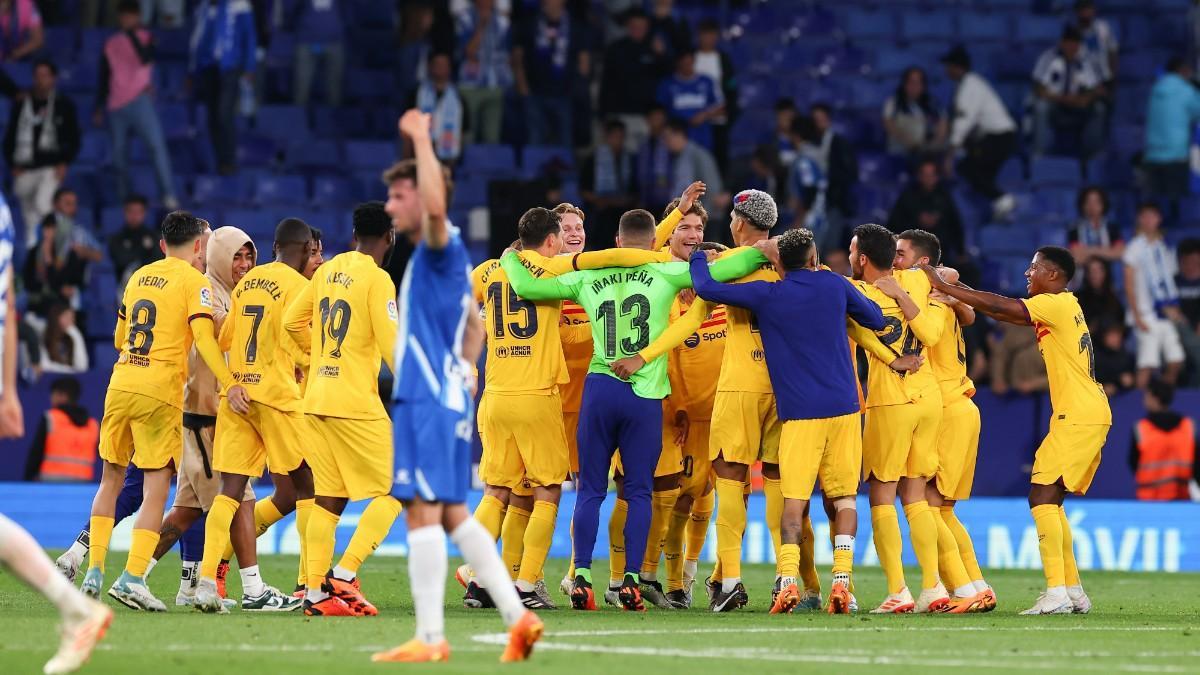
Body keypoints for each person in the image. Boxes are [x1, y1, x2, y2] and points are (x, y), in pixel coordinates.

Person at [500, 200, 766, 614]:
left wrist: (510, 258)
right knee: (639, 492)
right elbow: (728, 269)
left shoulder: (587, 276)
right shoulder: (667, 271)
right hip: (643, 396)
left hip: (600, 388)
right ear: (652, 243)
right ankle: (628, 581)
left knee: (590, 490)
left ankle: (582, 576)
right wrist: (767, 248)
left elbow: (528, 287)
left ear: (619, 241)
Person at [375, 109, 542, 663]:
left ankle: (429, 640)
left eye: (401, 196)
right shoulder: (437, 261)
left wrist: (423, 139)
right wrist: (466, 370)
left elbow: (437, 204)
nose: (392, 207)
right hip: (442, 395)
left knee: (422, 512)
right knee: (448, 513)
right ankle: (519, 621)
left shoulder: (441, 247)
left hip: (426, 400)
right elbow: (473, 326)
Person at [690, 227, 887, 614]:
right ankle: (842, 581)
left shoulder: (769, 293)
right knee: (845, 498)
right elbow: (877, 319)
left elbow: (707, 288)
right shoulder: (833, 285)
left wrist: (700, 256)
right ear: (814, 258)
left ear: (778, 261)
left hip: (799, 414)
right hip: (846, 410)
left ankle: (787, 582)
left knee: (793, 502)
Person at [922, 245, 1110, 614]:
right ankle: (1072, 591)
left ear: (1053, 275)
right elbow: (1005, 313)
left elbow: (1000, 307)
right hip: (1086, 411)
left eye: (1034, 267)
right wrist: (955, 294)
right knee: (1051, 499)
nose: (1027, 273)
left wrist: (944, 286)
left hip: (1079, 414)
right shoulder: (1067, 304)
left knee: (1041, 497)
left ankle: (1056, 592)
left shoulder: (1054, 303)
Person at [79, 211, 251, 612]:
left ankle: (95, 569)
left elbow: (122, 337)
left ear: (161, 245)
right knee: (157, 486)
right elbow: (207, 343)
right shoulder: (196, 282)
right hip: (159, 392)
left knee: (110, 479)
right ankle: (135, 578)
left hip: (120, 384)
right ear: (198, 247)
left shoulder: (139, 276)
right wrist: (229, 381)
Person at [845, 223, 974, 614]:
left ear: (863, 259)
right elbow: (935, 326)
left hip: (891, 401)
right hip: (929, 399)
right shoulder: (917, 281)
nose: (849, 257)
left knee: (882, 496)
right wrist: (906, 291)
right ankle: (933, 587)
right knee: (916, 497)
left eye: (852, 252)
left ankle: (898, 589)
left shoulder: (857, 292)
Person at [283, 202, 403, 617]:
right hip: (354, 403)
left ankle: (315, 593)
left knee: (328, 499)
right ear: (389, 237)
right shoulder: (378, 279)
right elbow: (392, 347)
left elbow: (291, 323)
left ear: (354, 234)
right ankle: (346, 574)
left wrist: (317, 360)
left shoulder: (329, 269)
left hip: (316, 399)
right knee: (397, 488)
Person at [192, 219, 316, 614]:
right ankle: (311, 584)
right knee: (307, 485)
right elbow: (304, 338)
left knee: (229, 491)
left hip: (238, 395)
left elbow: (226, 337)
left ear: (276, 245)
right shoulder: (301, 287)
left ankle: (208, 583)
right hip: (277, 398)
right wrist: (301, 362)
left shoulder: (247, 283)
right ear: (304, 250)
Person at [463, 207, 574, 611]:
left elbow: (458, 304)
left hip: (494, 396)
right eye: (561, 236)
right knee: (546, 490)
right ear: (550, 240)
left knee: (495, 491)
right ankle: (526, 584)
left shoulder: (490, 270)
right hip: (536, 396)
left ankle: (478, 581)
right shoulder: (556, 271)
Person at [894, 230, 995, 611]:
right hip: (960, 405)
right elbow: (960, 298)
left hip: (948, 408)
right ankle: (975, 585)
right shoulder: (939, 295)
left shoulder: (926, 290)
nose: (895, 259)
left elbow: (948, 273)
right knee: (941, 508)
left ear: (922, 263)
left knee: (925, 503)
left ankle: (966, 589)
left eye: (901, 253)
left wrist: (939, 280)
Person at [97, 1, 179, 209]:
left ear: (138, 17)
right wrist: (99, 106)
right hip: (116, 103)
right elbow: (104, 76)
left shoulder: (147, 37)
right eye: (124, 16)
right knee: (119, 155)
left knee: (156, 146)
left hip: (140, 100)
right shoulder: (111, 42)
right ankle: (125, 199)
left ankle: (168, 194)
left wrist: (131, 33)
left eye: (132, 16)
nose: (127, 20)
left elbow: (145, 58)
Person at [5, 60, 81, 247]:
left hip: (51, 167)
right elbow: (10, 136)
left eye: (45, 75)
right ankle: (35, 254)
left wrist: (64, 162)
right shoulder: (22, 104)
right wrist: (12, 164)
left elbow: (74, 138)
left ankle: (53, 248)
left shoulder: (63, 104)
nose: (41, 80)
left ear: (53, 78)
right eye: (37, 75)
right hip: (25, 168)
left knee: (43, 204)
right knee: (29, 216)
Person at [940, 45, 1018, 221]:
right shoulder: (967, 84)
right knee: (978, 174)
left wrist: (950, 155)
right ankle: (996, 206)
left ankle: (1002, 199)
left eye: (949, 66)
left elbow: (964, 122)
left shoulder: (970, 86)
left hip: (999, 137)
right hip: (993, 138)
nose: (946, 70)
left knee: (966, 167)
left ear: (957, 67)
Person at [189, 0, 257, 175]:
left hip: (230, 66)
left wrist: (250, 66)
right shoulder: (202, 7)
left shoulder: (240, 5)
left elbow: (249, 36)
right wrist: (192, 69)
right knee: (212, 116)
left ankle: (229, 160)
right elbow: (196, 39)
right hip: (207, 66)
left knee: (223, 113)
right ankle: (220, 160)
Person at [511, 0, 589, 147]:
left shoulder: (575, 25)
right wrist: (523, 86)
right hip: (534, 93)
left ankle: (565, 170)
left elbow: (583, 61)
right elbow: (517, 57)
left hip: (564, 94)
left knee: (565, 142)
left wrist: (576, 88)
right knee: (535, 141)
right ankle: (533, 170)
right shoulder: (530, 23)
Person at [1123, 203, 1184, 388]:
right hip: (1145, 314)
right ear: (1140, 220)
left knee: (1176, 361)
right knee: (1147, 365)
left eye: (1153, 216)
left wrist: (1175, 309)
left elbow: (1170, 283)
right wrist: (1136, 316)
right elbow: (1128, 285)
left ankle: (1161, 400)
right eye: (1145, 216)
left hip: (1165, 315)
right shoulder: (1134, 247)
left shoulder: (1164, 248)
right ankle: (1140, 409)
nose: (1149, 220)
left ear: (1159, 219)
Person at [1031, 26, 1107, 159]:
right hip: (1055, 104)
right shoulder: (1048, 57)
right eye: (1069, 43)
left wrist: (1086, 98)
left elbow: (1098, 89)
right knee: (1040, 107)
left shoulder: (1087, 60)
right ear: (1062, 42)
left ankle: (1093, 157)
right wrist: (1063, 99)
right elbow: (1039, 89)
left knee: (1099, 108)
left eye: (1075, 43)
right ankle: (1039, 155)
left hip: (1078, 105)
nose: (1072, 47)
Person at [598, 8, 666, 149]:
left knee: (644, 160)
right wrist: (603, 114)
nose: (638, 30)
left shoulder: (653, 49)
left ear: (647, 28)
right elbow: (606, 83)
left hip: (646, 117)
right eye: (634, 27)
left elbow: (666, 74)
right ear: (628, 27)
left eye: (642, 27)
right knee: (620, 158)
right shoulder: (615, 49)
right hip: (620, 115)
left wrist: (661, 56)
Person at [1142, 56, 1200, 213]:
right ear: (1181, 71)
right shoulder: (1186, 90)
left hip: (1152, 153)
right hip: (1175, 153)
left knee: (1155, 201)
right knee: (1174, 202)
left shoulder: (1155, 88)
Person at [455, 0, 511, 145]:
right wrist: (481, 26)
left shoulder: (502, 22)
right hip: (469, 85)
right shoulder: (464, 19)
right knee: (467, 136)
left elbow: (507, 54)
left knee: (492, 138)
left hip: (495, 85)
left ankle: (491, 166)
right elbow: (469, 51)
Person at [887, 159, 965, 263]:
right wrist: (917, 220)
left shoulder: (944, 197)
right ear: (919, 176)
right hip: (909, 253)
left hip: (940, 252)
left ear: (937, 177)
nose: (928, 178)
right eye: (925, 174)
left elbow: (955, 225)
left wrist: (960, 251)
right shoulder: (907, 196)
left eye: (932, 175)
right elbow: (893, 225)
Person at [1131, 379, 1197, 501]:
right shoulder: (1188, 426)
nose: (1144, 400)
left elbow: (1133, 462)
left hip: (1149, 500)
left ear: (1154, 397)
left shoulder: (1141, 428)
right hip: (1181, 499)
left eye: (1147, 395)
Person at [24, 376, 99, 482]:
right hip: (82, 488)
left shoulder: (50, 418)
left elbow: (36, 453)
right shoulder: (93, 425)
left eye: (53, 394)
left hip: (49, 487)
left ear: (62, 396)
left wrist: (28, 480)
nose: (51, 398)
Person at [580, 119, 638, 247]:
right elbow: (584, 190)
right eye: (615, 136)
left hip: (623, 211)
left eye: (621, 137)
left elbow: (635, 189)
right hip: (600, 211)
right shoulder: (593, 159)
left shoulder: (630, 158)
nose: (618, 140)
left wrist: (624, 201)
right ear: (607, 137)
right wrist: (602, 201)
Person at [808, 103, 858, 245]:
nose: (818, 123)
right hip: (814, 203)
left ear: (828, 120)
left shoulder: (840, 144)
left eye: (821, 119)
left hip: (833, 203)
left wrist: (830, 179)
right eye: (815, 120)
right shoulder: (809, 143)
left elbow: (851, 174)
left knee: (830, 244)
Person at [656, 50, 724, 153]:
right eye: (683, 64)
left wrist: (704, 115)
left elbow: (721, 108)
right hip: (677, 140)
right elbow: (659, 112)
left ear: (694, 61)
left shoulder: (706, 81)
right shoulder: (667, 84)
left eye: (689, 63)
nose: (687, 67)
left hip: (702, 138)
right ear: (677, 64)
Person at [693, 18, 736, 169]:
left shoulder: (723, 59)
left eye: (712, 35)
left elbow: (731, 87)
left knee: (718, 159)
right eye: (705, 35)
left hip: (718, 116)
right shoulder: (692, 57)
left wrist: (728, 111)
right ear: (699, 35)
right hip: (695, 118)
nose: (708, 39)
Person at [288, 0, 346, 107]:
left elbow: (351, 8)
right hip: (306, 42)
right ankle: (299, 121)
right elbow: (290, 10)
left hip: (334, 41)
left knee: (335, 91)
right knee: (301, 89)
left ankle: (332, 122)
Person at [787, 115, 832, 254]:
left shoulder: (805, 159)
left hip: (811, 221)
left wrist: (799, 220)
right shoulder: (817, 154)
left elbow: (809, 189)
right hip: (820, 217)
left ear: (795, 135)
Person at [664, 118, 725, 215]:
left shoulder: (699, 155)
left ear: (679, 134)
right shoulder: (677, 157)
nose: (666, 143)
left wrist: (702, 215)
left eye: (668, 138)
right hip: (687, 215)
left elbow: (712, 189)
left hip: (705, 217)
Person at [882, 67, 947, 159]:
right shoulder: (893, 103)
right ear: (904, 84)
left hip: (927, 146)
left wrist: (935, 142)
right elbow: (889, 125)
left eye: (918, 82)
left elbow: (942, 124)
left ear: (924, 86)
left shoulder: (933, 103)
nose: (914, 86)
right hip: (902, 145)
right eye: (911, 82)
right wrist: (908, 141)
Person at [412, 52, 463, 163]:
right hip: (421, 154)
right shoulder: (417, 93)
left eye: (443, 65)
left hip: (449, 157)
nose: (440, 68)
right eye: (437, 64)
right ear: (430, 67)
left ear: (449, 68)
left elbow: (465, 130)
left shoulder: (458, 96)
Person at [108, 194, 162, 298]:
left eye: (138, 212)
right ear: (125, 213)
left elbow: (158, 259)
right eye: (131, 212)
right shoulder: (117, 238)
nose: (134, 216)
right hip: (126, 288)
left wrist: (137, 253)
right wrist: (144, 251)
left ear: (144, 213)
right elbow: (121, 260)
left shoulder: (153, 236)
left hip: (152, 288)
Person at [1068, 186, 1123, 263]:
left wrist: (1090, 251)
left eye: (1096, 202)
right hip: (1083, 273)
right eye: (1088, 202)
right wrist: (1107, 252)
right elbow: (1077, 257)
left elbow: (1119, 253)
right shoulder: (1074, 228)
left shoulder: (1112, 228)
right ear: (1083, 205)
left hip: (1108, 273)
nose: (1092, 206)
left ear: (1103, 204)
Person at [1072, 0, 1118, 86]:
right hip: (1083, 81)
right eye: (1083, 9)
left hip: (1105, 78)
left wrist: (1112, 75)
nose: (1086, 12)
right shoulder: (1072, 32)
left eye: (1088, 9)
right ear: (1077, 12)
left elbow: (1112, 52)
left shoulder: (1103, 27)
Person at [1075, 256, 1125, 333]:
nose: (1094, 274)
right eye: (1091, 270)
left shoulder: (1114, 299)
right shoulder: (1077, 299)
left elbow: (1120, 325)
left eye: (1098, 270)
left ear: (1105, 272)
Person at [637, 104, 673, 209]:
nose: (658, 122)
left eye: (660, 118)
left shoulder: (670, 143)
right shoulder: (643, 145)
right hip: (646, 198)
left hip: (667, 199)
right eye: (654, 118)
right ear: (648, 120)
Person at [1175, 239, 1200, 383]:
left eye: (1194, 262)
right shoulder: (1173, 283)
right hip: (1179, 335)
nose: (1190, 266)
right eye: (1186, 262)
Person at [39, 304, 87, 374]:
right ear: (56, 317)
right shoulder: (43, 335)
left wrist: (76, 336)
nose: (71, 321)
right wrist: (69, 370)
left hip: (70, 379)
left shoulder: (72, 336)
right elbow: (44, 365)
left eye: (72, 318)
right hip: (50, 379)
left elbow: (82, 366)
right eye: (67, 317)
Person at [1094, 322, 1136, 395]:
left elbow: (1131, 376)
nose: (1116, 339)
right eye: (1112, 336)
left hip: (1122, 395)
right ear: (1103, 337)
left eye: (1118, 335)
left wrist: (1131, 379)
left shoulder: (1125, 354)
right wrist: (1102, 387)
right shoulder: (1095, 355)